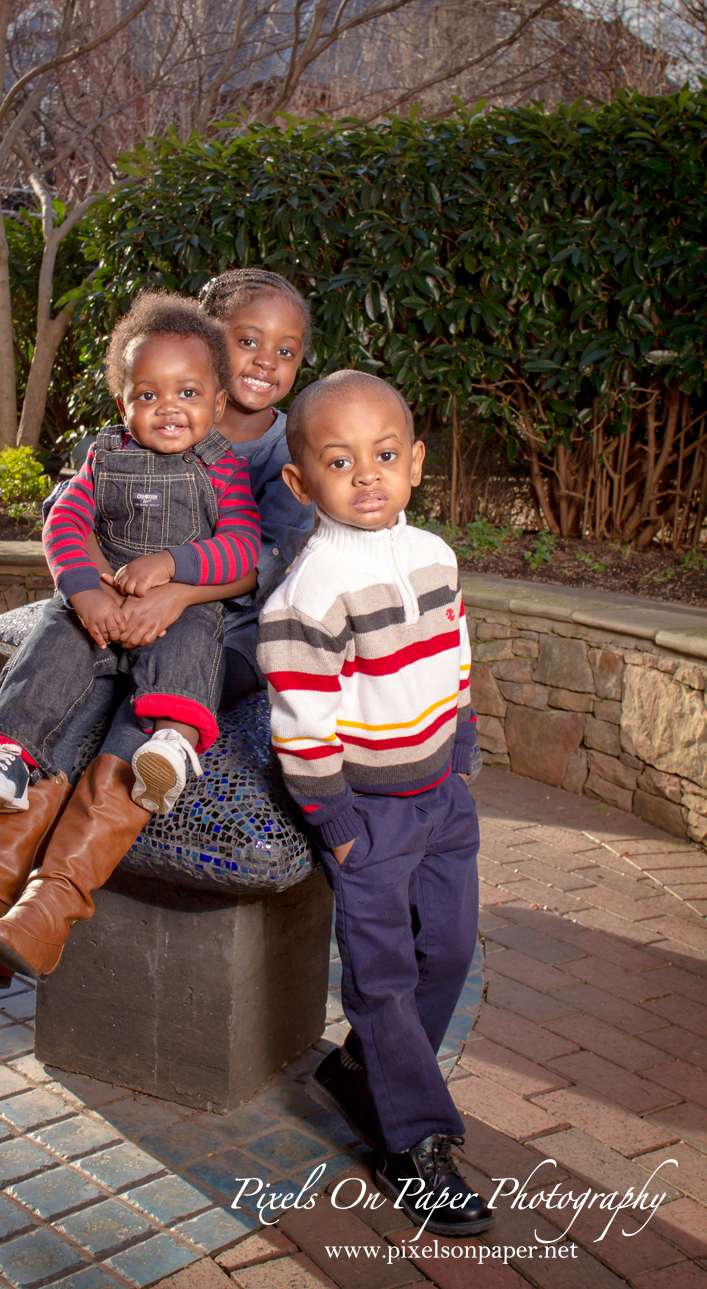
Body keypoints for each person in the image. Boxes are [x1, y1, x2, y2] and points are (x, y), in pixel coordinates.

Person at [0, 270, 313, 986]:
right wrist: (93, 594)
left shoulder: (269, 455)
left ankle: (48, 910)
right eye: (244, 341)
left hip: (220, 636)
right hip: (119, 608)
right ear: (201, 340)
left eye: (282, 350)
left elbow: (267, 561)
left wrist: (172, 594)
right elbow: (74, 519)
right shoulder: (132, 429)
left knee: (135, 705)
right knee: (73, 685)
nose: (263, 360)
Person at [256, 370, 494, 1237]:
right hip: (371, 816)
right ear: (300, 482)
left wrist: (462, 743)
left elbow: (455, 652)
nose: (366, 475)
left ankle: (367, 1072)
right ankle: (412, 1142)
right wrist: (338, 824)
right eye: (340, 460)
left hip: (443, 800)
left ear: (417, 463)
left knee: (451, 950)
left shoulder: (435, 555)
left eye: (385, 455)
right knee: (384, 976)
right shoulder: (307, 596)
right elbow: (302, 725)